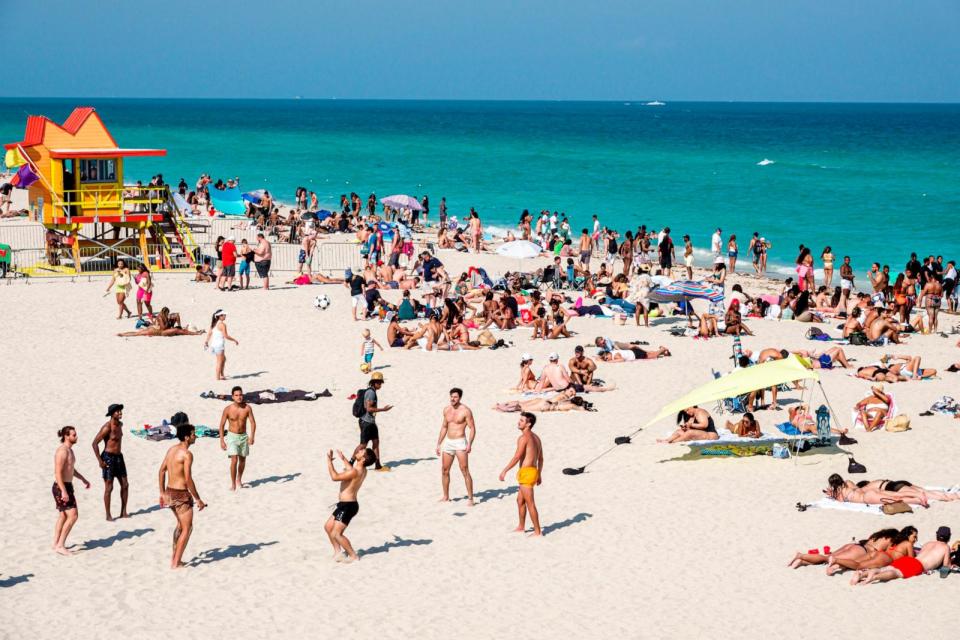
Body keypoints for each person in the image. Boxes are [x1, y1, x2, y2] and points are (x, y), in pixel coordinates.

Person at [159, 421, 206, 569]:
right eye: (193, 434)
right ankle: (176, 562)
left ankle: (175, 556)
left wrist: (162, 493)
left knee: (180, 525)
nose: (195, 436)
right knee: (188, 528)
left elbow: (161, 471)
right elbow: (188, 479)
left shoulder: (171, 449)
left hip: (170, 492)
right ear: (186, 437)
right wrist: (198, 499)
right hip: (181, 494)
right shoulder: (187, 454)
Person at [851, 527, 955, 585]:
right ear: (949, 537)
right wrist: (949, 566)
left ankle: (862, 575)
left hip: (907, 560)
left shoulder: (928, 543)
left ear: (937, 535)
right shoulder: (946, 548)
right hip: (918, 566)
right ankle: (873, 578)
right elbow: (945, 566)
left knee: (886, 568)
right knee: (895, 573)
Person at [324, 445, 375, 563]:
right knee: (328, 527)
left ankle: (353, 556)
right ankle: (338, 552)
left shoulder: (355, 471)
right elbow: (351, 470)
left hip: (348, 506)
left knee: (337, 533)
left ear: (363, 459)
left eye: (362, 451)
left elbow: (335, 477)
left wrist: (329, 462)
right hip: (345, 504)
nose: (359, 450)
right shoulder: (362, 470)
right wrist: (343, 459)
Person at [499, 412, 543, 537]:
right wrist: (539, 474)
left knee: (530, 503)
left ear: (528, 424)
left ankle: (538, 531)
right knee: (520, 500)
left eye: (522, 421)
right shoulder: (536, 438)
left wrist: (505, 470)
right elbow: (541, 459)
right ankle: (521, 526)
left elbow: (517, 456)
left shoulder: (524, 438)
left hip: (527, 473)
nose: (519, 422)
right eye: (520, 420)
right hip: (532, 472)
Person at [52, 426, 91, 556]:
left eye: (76, 434)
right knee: (73, 515)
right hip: (61, 486)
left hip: (67, 486)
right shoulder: (62, 451)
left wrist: (83, 479)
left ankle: (55, 544)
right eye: (73, 435)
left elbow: (71, 469)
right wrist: (63, 491)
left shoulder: (70, 451)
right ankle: (60, 545)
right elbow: (57, 473)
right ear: (66, 436)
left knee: (63, 515)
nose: (76, 437)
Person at [435, 388, 476, 505]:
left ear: (460, 398)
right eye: (451, 396)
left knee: (464, 470)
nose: (453, 399)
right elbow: (444, 427)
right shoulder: (446, 410)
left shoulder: (466, 411)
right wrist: (438, 443)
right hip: (448, 442)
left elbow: (472, 428)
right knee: (444, 470)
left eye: (455, 397)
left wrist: (469, 443)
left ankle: (470, 498)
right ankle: (446, 496)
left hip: (460, 442)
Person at [91, 403, 129, 521]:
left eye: (120, 411)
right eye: (117, 411)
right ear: (112, 414)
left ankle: (123, 512)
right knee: (109, 487)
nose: (120, 413)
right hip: (108, 458)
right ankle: (108, 515)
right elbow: (94, 443)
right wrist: (100, 461)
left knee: (125, 485)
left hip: (119, 457)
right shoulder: (107, 427)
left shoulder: (120, 425)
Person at [218, 386, 257, 491]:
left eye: (240, 395)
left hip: (243, 436)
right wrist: (221, 440)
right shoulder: (228, 409)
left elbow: (253, 423)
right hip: (232, 437)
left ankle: (239, 479)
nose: (239, 397)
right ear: (232, 397)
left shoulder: (247, 408)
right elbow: (221, 425)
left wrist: (252, 437)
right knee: (234, 460)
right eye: (236, 395)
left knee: (242, 460)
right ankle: (233, 484)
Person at [359, 372, 392, 471]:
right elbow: (368, 408)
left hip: (371, 422)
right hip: (366, 422)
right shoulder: (371, 393)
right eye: (379, 383)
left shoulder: (373, 392)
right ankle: (351, 462)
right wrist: (383, 409)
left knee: (376, 442)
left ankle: (377, 465)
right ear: (374, 383)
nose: (381, 385)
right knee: (363, 445)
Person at [204, 309, 238, 380]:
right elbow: (226, 336)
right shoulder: (222, 325)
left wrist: (206, 342)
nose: (225, 316)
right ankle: (218, 378)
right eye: (224, 315)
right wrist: (234, 340)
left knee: (223, 359)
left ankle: (222, 375)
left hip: (214, 345)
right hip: (219, 345)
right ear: (220, 316)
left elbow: (209, 333)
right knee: (219, 361)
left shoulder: (214, 323)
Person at [597, 346, 671, 362]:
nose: (607, 359)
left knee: (653, 355)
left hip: (636, 354)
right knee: (649, 353)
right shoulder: (612, 352)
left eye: (606, 358)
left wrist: (609, 362)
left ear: (608, 354)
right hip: (634, 351)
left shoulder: (615, 355)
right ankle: (664, 353)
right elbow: (600, 357)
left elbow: (621, 360)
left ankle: (662, 349)